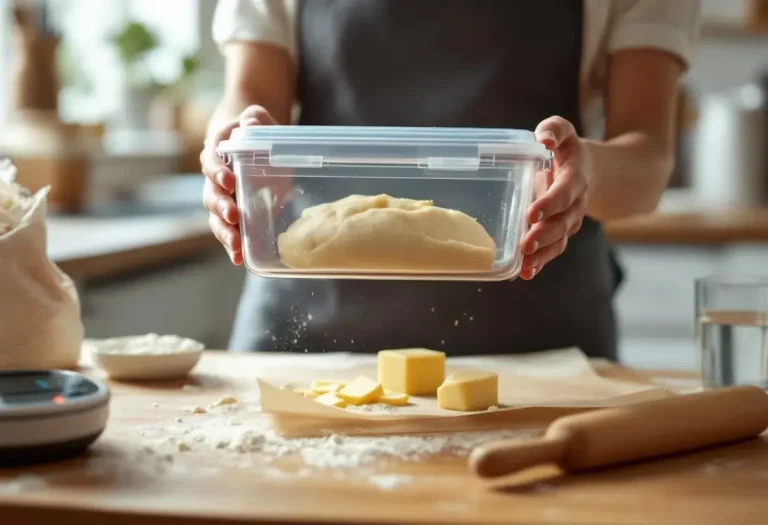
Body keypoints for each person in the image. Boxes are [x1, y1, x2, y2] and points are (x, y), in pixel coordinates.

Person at [201, 0, 700, 360]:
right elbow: (248, 100)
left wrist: (584, 169)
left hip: (536, 355)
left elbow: (647, 162)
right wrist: (239, 152)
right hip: (304, 334)